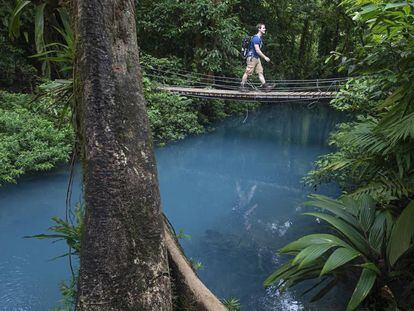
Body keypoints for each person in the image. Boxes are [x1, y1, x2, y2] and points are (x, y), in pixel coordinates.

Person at [240, 23, 273, 92]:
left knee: (260, 72)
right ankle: (242, 86)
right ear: (259, 29)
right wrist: (265, 57)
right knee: (248, 72)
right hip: (252, 57)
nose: (265, 29)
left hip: (256, 58)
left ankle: (265, 87)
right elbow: (257, 50)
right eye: (263, 28)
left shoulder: (259, 38)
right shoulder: (256, 38)